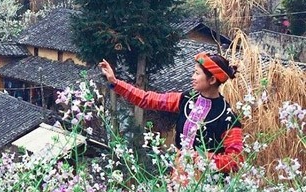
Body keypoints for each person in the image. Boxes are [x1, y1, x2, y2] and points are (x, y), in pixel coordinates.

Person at [99, 52, 244, 174]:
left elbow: (236, 161)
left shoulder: (227, 117)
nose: (192, 77)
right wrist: (115, 82)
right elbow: (147, 99)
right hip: (179, 178)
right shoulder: (187, 99)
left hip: (207, 188)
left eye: (197, 73)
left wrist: (200, 157)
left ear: (212, 79)